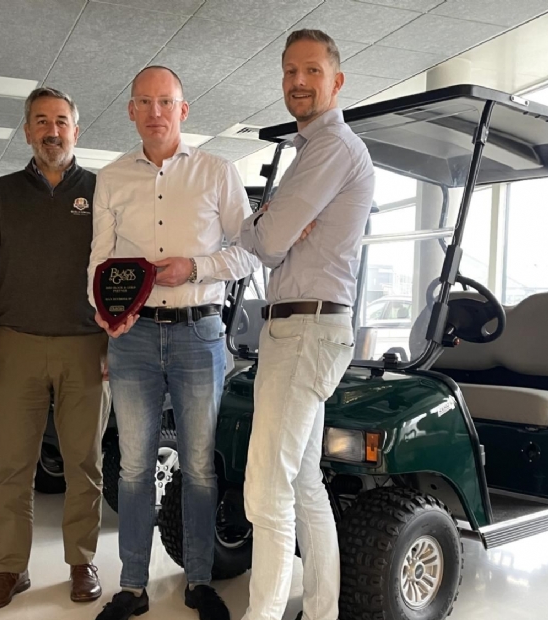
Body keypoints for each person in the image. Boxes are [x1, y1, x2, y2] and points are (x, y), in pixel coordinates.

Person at [88, 65, 259, 620]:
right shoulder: (112, 178)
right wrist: (103, 310)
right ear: (131, 111)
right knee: (133, 467)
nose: (155, 112)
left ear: (183, 110)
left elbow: (250, 251)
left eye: (166, 102)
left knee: (200, 467)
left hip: (199, 334)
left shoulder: (217, 172)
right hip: (133, 337)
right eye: (145, 102)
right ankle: (132, 586)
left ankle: (200, 581)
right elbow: (99, 258)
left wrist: (195, 267)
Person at [237, 29, 375, 620]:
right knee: (301, 485)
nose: (298, 81)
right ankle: (322, 612)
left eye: (312, 70)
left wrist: (260, 221)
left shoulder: (330, 147)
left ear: (336, 81)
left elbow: (267, 243)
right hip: (305, 328)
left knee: (266, 488)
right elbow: (277, 237)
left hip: (304, 330)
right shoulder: (312, 150)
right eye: (290, 70)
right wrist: (274, 223)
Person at [0, 86, 109, 610]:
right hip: (16, 344)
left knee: (84, 463)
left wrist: (118, 338)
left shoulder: (102, 191)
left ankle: (82, 561)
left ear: (76, 130)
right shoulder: (2, 194)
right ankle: (10, 569)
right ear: (27, 131)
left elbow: (122, 270)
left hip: (86, 346)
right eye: (41, 121)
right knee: (13, 467)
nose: (52, 131)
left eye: (61, 121)